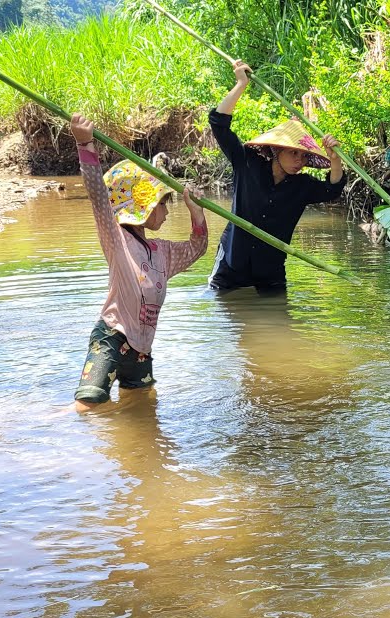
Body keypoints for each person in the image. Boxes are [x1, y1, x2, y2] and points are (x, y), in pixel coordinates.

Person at [69, 113, 209, 412]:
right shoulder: (117, 239)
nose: (167, 212)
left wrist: (196, 213)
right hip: (111, 338)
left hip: (142, 350)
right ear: (142, 206)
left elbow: (196, 249)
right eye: (162, 204)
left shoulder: (162, 252)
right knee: (87, 407)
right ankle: (43, 423)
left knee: (143, 406)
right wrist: (85, 145)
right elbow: (98, 197)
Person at [207, 59, 345, 294]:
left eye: (304, 156)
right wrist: (241, 84)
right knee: (220, 306)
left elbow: (332, 189)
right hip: (233, 261)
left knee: (278, 311)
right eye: (294, 153)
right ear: (276, 150)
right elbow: (219, 125)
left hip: (269, 269)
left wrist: (335, 160)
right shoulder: (247, 162)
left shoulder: (302, 186)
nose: (299, 161)